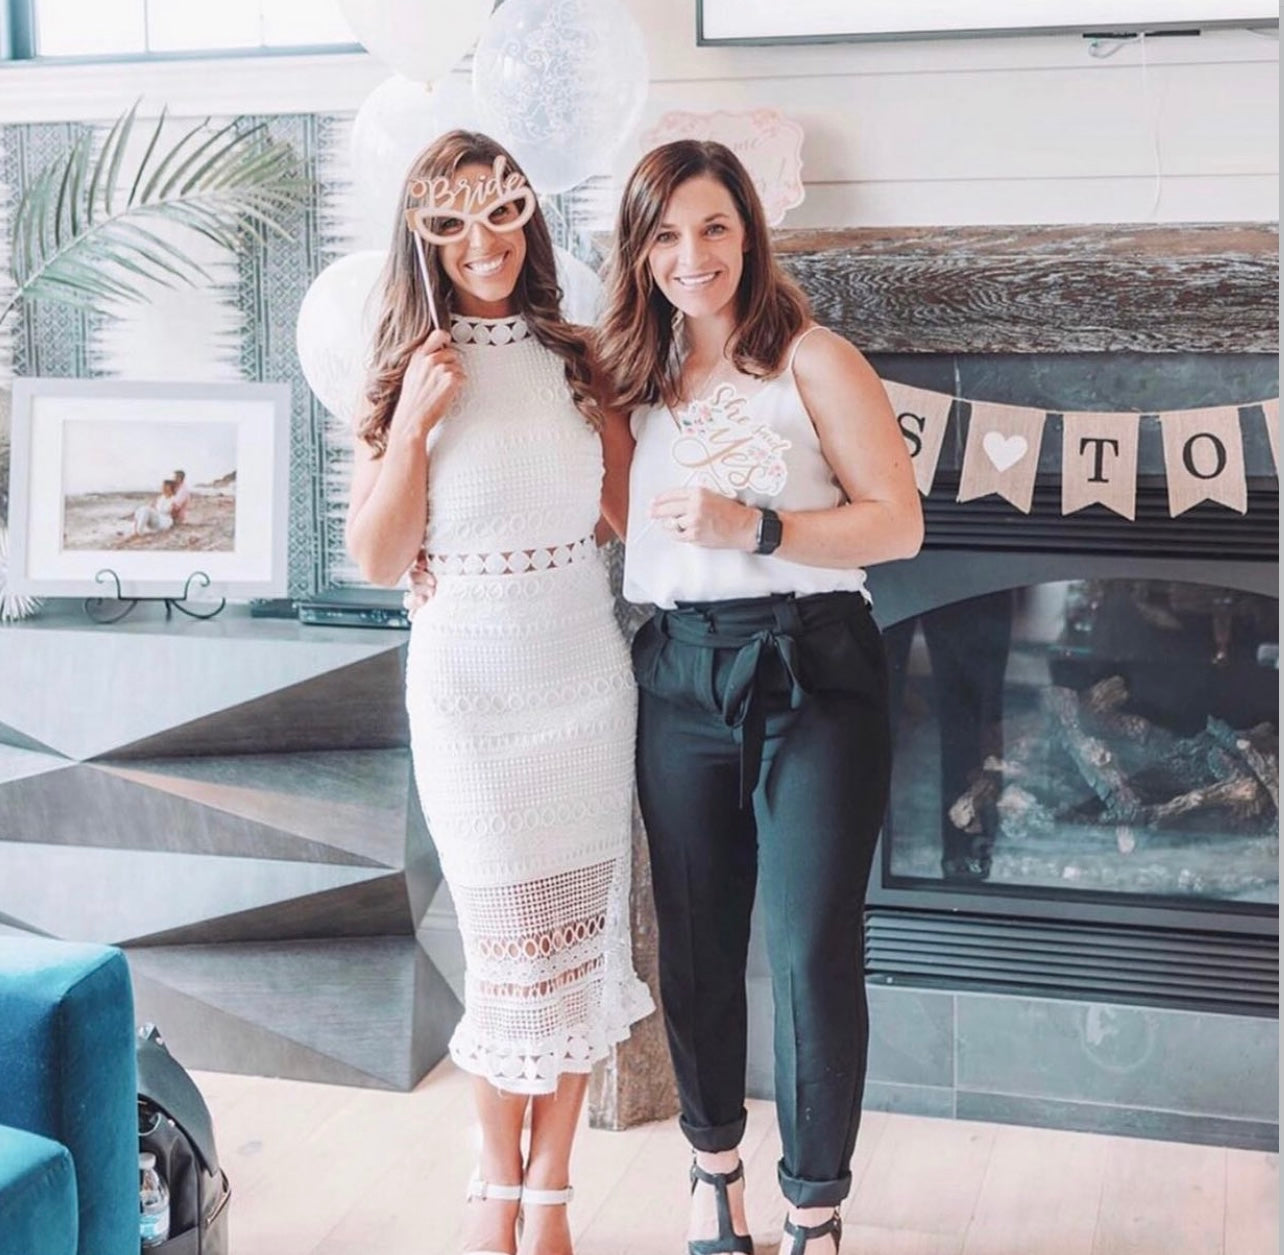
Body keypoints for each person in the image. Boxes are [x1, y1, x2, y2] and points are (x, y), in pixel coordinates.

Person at [597, 140, 924, 1255]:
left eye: (714, 227)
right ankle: (712, 1171)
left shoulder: (812, 359)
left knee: (809, 945)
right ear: (639, 251)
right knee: (692, 940)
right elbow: (598, 508)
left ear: (749, 232)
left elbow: (898, 523)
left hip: (812, 667)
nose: (692, 255)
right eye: (666, 235)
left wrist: (759, 527)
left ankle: (813, 1209)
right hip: (678, 667)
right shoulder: (629, 377)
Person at [344, 130, 652, 1255]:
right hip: (469, 697)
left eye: (501, 210)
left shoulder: (579, 358)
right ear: (423, 237)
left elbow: (629, 516)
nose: (483, 240)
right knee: (507, 952)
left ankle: (551, 1190)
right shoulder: (402, 374)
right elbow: (380, 558)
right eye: (455, 219)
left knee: (575, 951)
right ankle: (494, 1177)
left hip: (581, 681)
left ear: (528, 217)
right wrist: (415, 425)